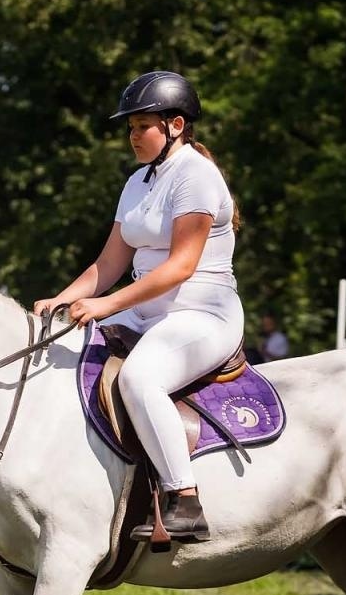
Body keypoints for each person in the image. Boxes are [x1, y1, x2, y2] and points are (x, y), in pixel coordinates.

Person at [32, 70, 242, 542]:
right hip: (148, 311)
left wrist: (105, 306)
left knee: (140, 377)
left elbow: (180, 267)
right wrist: (61, 300)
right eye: (129, 128)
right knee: (60, 350)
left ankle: (184, 498)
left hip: (202, 313)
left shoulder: (197, 176)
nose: (131, 136)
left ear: (176, 126)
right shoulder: (137, 182)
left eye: (140, 126)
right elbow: (108, 262)